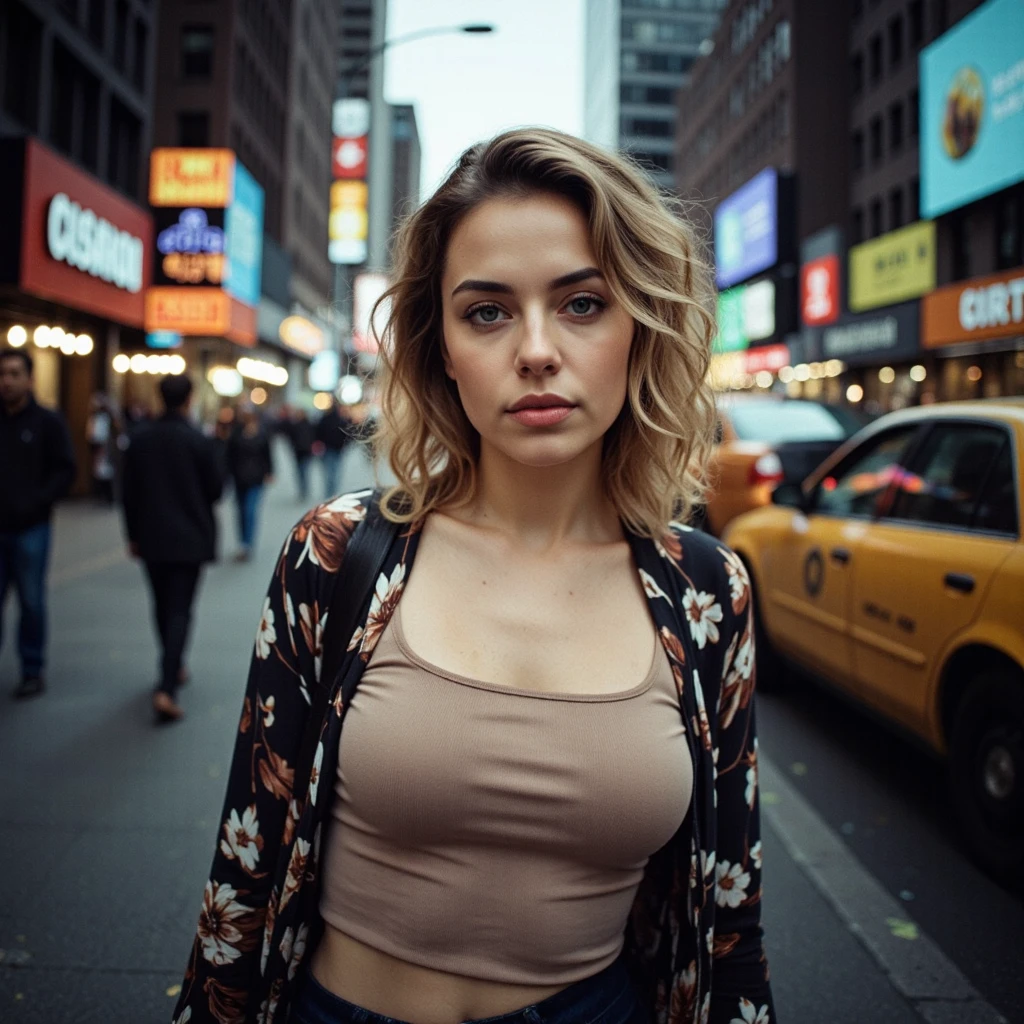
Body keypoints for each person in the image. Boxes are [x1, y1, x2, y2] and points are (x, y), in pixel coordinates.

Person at [172, 130, 773, 1024]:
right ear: (442, 348)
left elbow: (730, 922)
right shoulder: (336, 554)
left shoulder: (708, 589)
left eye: (581, 303)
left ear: (639, 327)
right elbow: (244, 867)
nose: (535, 350)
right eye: (487, 312)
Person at [121, 374, 223, 722]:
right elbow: (216, 489)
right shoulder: (198, 440)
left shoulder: (139, 439)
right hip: (190, 538)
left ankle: (171, 665)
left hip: (151, 536)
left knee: (161, 604)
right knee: (180, 608)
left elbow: (128, 493)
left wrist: (132, 535)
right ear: (189, 398)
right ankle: (168, 682)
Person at [0, 348, 76, 699]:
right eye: (3, 374)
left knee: (31, 600)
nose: (8, 381)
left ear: (30, 379)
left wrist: (38, 501)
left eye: (15, 374)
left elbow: (65, 469)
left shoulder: (47, 421)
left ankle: (32, 668)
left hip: (31, 527)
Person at [226, 405, 274, 561]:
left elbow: (267, 454)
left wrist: (269, 472)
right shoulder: (236, 432)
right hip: (239, 478)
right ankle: (242, 542)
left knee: (250, 510)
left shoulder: (262, 433)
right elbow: (229, 454)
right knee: (240, 511)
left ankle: (248, 543)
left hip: (256, 478)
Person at [314, 397, 352, 498]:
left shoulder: (324, 418)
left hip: (328, 449)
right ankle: (333, 491)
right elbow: (347, 435)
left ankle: (329, 491)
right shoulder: (341, 420)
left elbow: (318, 433)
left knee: (329, 471)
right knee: (335, 471)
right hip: (337, 449)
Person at [287, 407, 317, 502]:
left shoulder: (309, 425)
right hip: (298, 453)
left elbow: (314, 437)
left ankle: (304, 490)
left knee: (304, 472)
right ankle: (302, 490)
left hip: (306, 452)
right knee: (300, 472)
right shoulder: (294, 425)